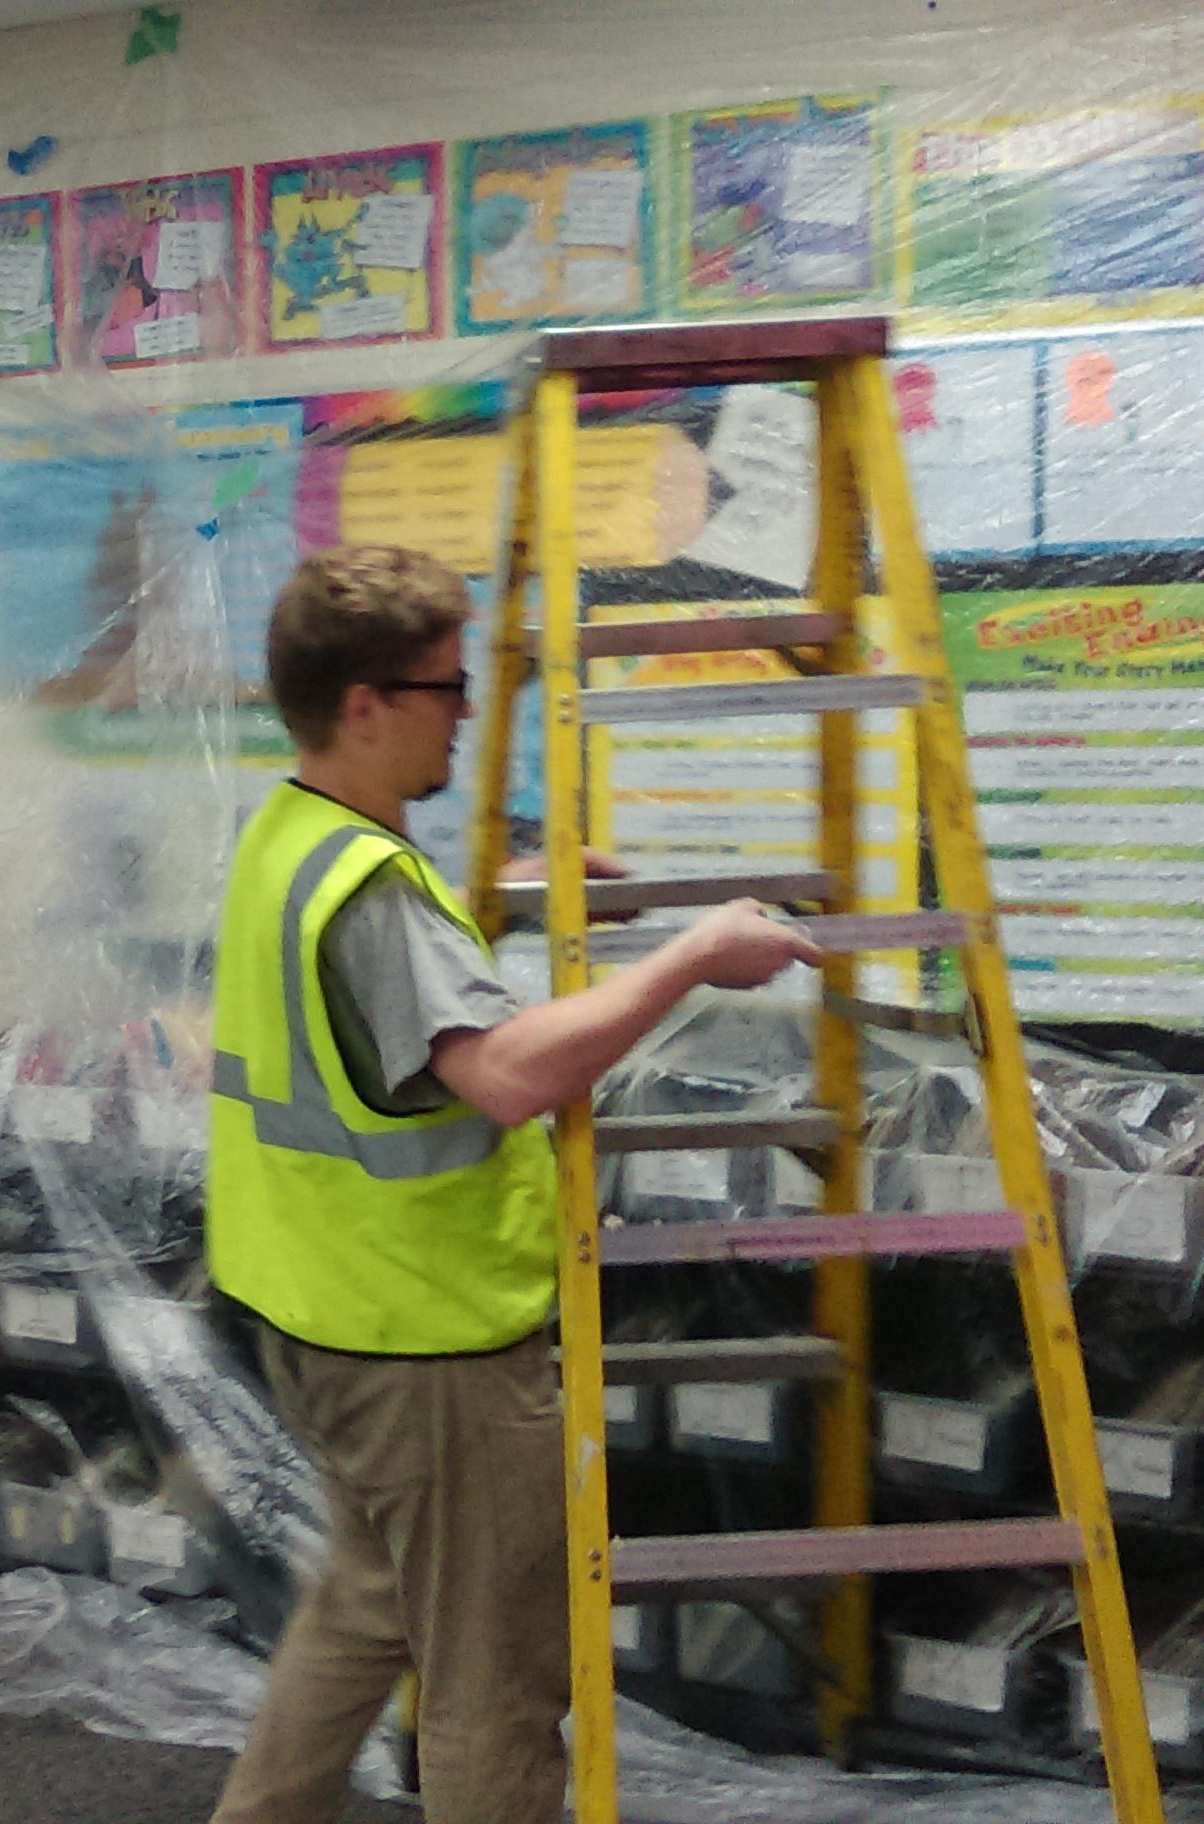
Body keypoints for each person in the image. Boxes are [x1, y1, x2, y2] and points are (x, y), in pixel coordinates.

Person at [206, 545, 823, 1824]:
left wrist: (509, 891)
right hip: (426, 1344)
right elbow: (497, 1076)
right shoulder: (372, 890)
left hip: (316, 1315)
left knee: (367, 1606)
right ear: (366, 705)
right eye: (445, 688)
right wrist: (692, 958)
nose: (468, 712)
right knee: (493, 1679)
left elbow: (376, 1004)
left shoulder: (295, 835)